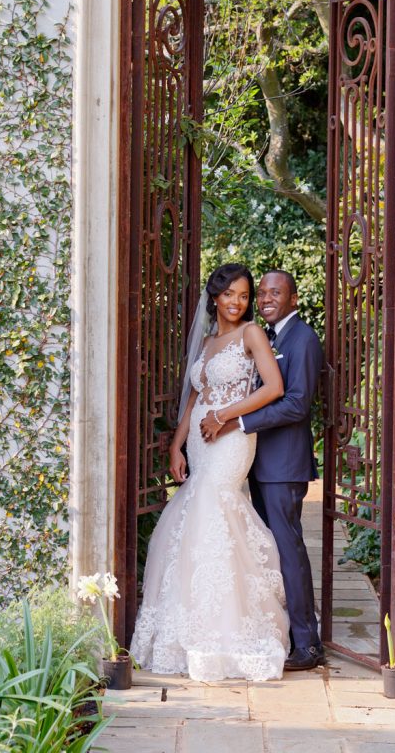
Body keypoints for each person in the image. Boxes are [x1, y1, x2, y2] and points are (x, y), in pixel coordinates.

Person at [130, 263, 290, 682]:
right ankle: (189, 625)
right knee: (194, 519)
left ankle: (227, 631)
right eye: (229, 294)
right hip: (200, 438)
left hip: (232, 436)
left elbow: (273, 388)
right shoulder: (206, 341)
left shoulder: (251, 334)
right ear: (214, 297)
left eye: (243, 295)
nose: (237, 302)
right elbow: (193, 399)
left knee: (214, 509)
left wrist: (223, 415)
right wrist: (175, 444)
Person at [200, 270, 324, 671]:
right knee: (265, 549)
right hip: (255, 461)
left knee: (289, 550)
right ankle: (282, 630)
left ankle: (307, 644)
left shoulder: (302, 339)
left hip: (284, 464)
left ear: (294, 298)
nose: (267, 298)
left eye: (276, 292)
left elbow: (296, 404)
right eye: (264, 293)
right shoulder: (265, 337)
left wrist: (238, 422)